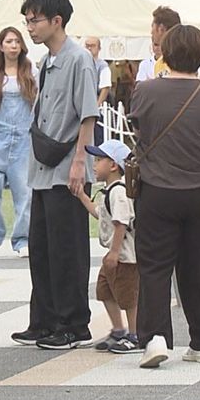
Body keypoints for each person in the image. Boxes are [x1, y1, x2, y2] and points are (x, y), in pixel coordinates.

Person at [130, 25, 200, 369]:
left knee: (155, 266)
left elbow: (138, 129)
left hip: (158, 190)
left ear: (165, 53)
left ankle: (155, 338)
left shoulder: (145, 90)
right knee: (196, 267)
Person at [10, 0, 98, 351]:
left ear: (56, 21)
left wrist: (80, 162)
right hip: (43, 169)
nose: (29, 27)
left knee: (68, 251)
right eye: (27, 20)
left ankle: (73, 324)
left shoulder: (79, 59)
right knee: (41, 247)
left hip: (67, 170)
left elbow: (88, 115)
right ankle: (44, 320)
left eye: (35, 20)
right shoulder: (47, 61)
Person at [76, 139, 139, 355]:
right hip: (114, 255)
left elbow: (121, 223)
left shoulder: (119, 191)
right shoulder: (107, 191)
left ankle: (135, 333)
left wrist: (113, 252)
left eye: (99, 160)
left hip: (124, 257)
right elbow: (100, 214)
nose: (94, 165)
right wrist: (82, 196)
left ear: (113, 166)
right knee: (104, 291)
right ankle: (118, 329)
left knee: (129, 297)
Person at [0, 26, 37, 258]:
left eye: (16, 41)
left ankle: (22, 239)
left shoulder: (31, 71)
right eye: (8, 41)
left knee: (25, 192)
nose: (13, 45)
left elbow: (37, 106)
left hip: (24, 138)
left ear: (22, 45)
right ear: (1, 46)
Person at [84, 36, 111, 145]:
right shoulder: (81, 63)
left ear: (99, 48)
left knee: (97, 138)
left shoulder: (102, 66)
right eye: (87, 45)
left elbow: (105, 87)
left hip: (97, 107)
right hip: (83, 105)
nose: (89, 48)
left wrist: (97, 105)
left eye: (92, 46)